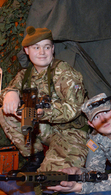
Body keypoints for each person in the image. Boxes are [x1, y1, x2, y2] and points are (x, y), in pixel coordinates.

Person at [0, 26, 89, 172]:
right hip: (45, 129)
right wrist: (10, 93)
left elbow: (75, 108)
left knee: (53, 179)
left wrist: (44, 112)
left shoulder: (63, 72)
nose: (42, 52)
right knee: (5, 113)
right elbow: (7, 93)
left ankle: (54, 160)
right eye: (36, 48)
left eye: (46, 47)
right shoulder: (24, 75)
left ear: (53, 49)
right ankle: (35, 157)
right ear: (27, 51)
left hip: (71, 131)